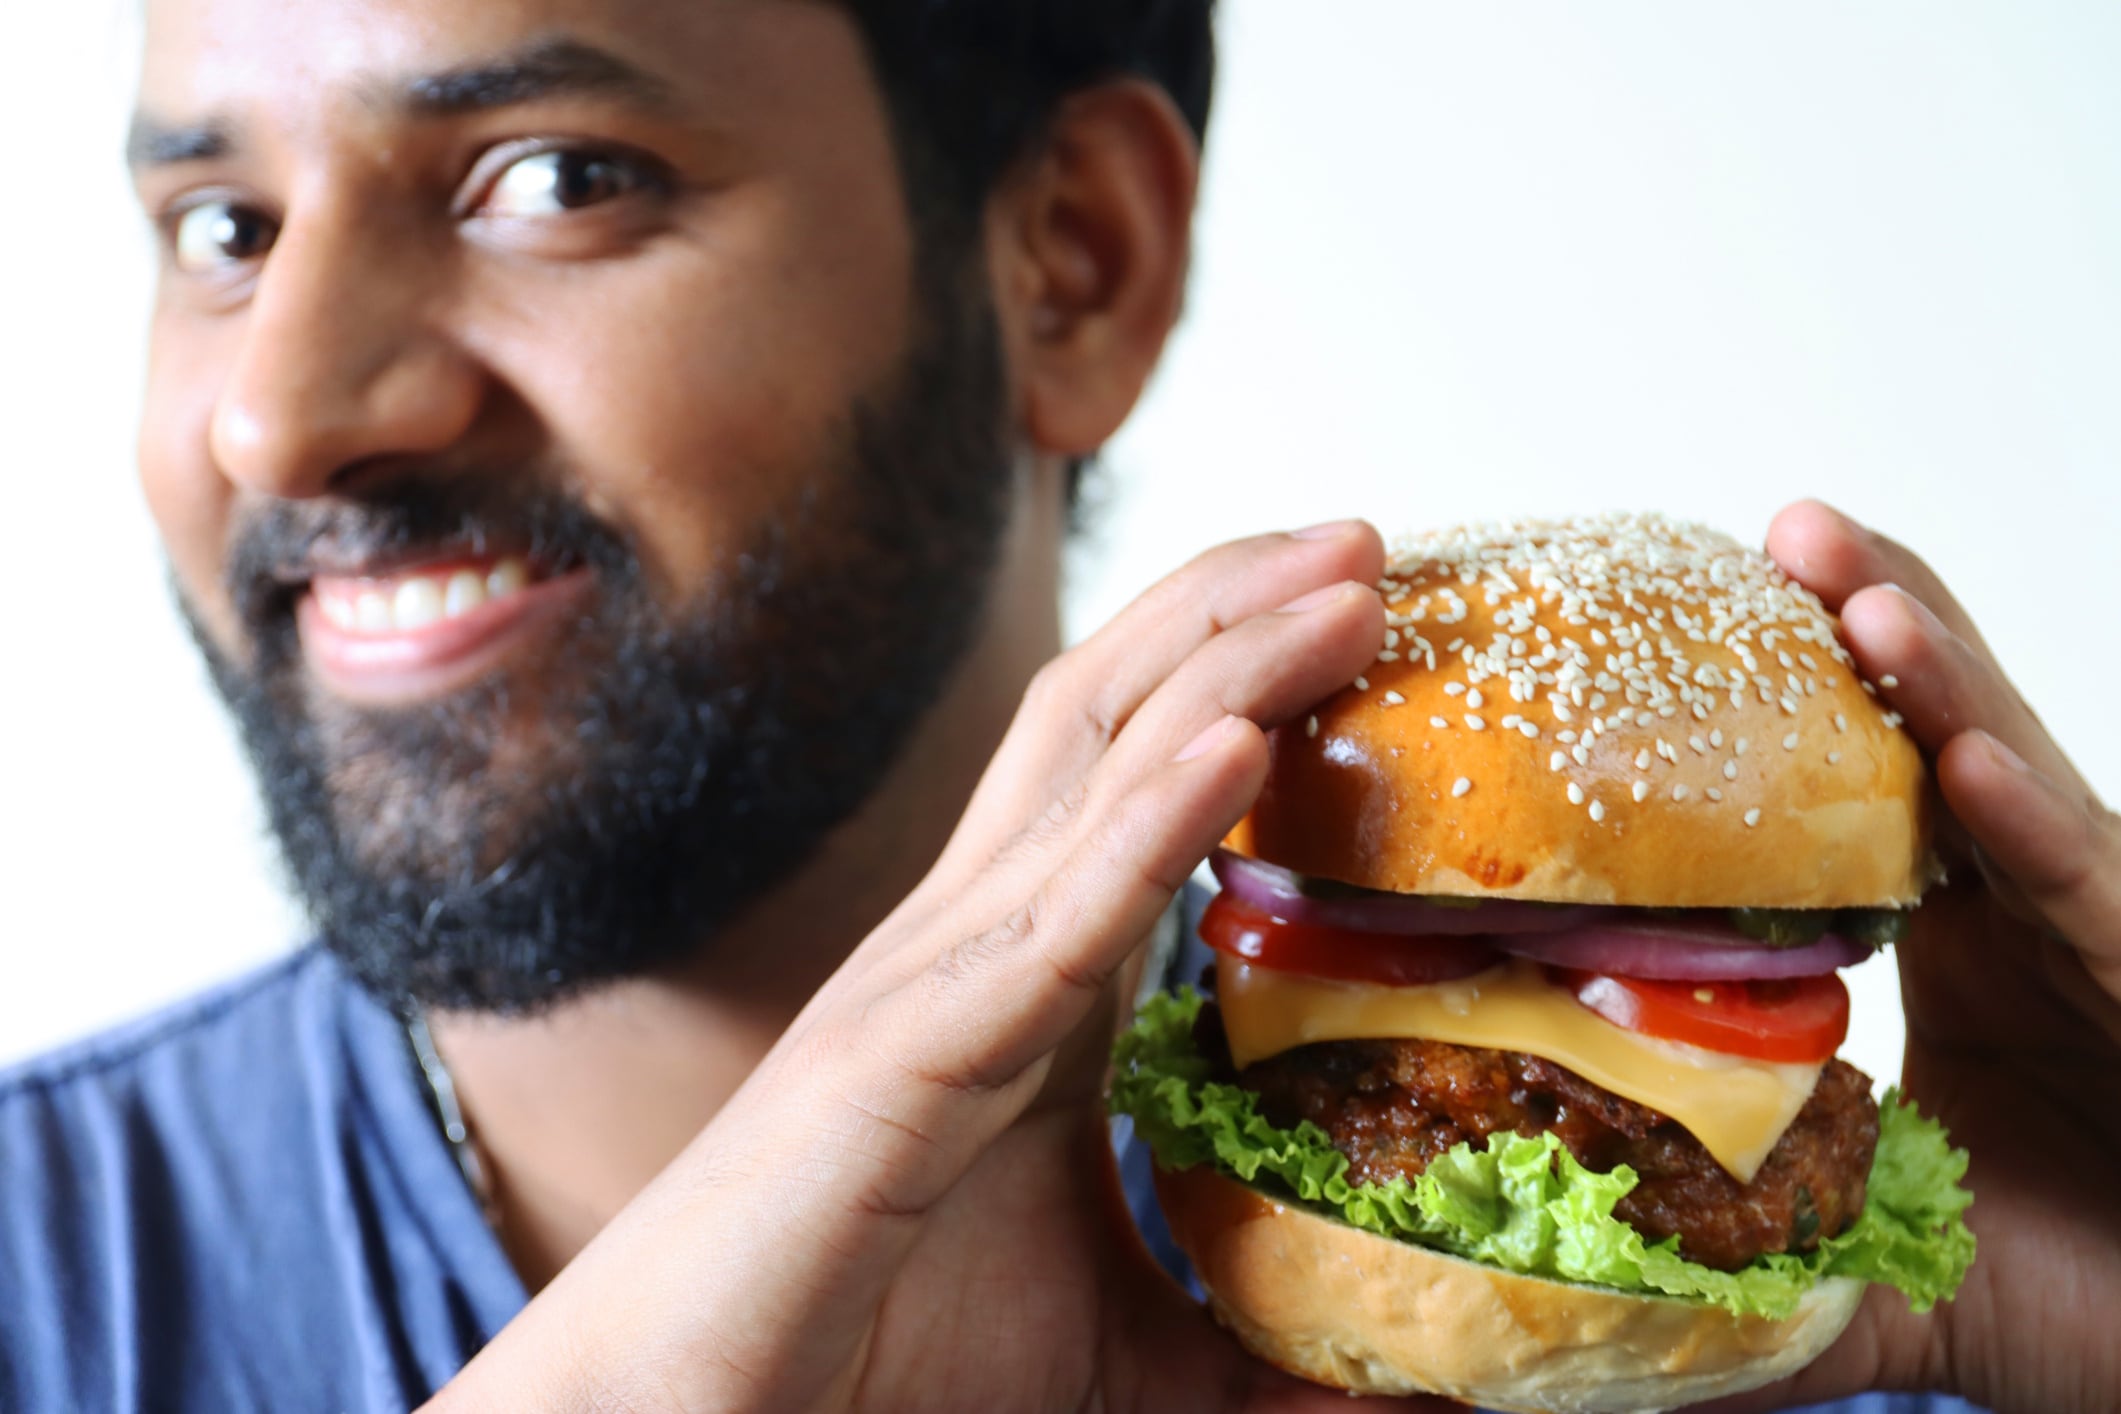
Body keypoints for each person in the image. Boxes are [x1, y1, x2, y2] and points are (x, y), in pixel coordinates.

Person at [1, 0, 2113, 1410]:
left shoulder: (1875, 1326)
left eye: (553, 178)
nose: (278, 408)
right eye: (219, 226)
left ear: (1068, 262)